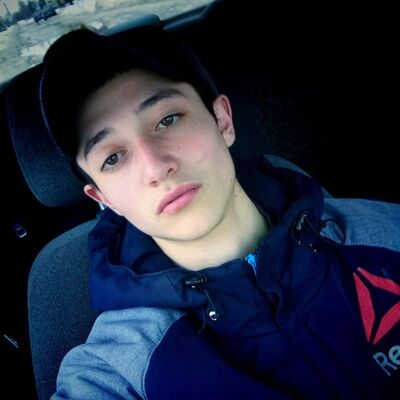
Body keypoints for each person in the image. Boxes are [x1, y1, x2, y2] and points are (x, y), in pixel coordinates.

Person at [39, 26, 400, 400]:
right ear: (104, 199)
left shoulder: (384, 237)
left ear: (222, 121)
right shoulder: (120, 369)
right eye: (113, 157)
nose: (156, 167)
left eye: (168, 119)